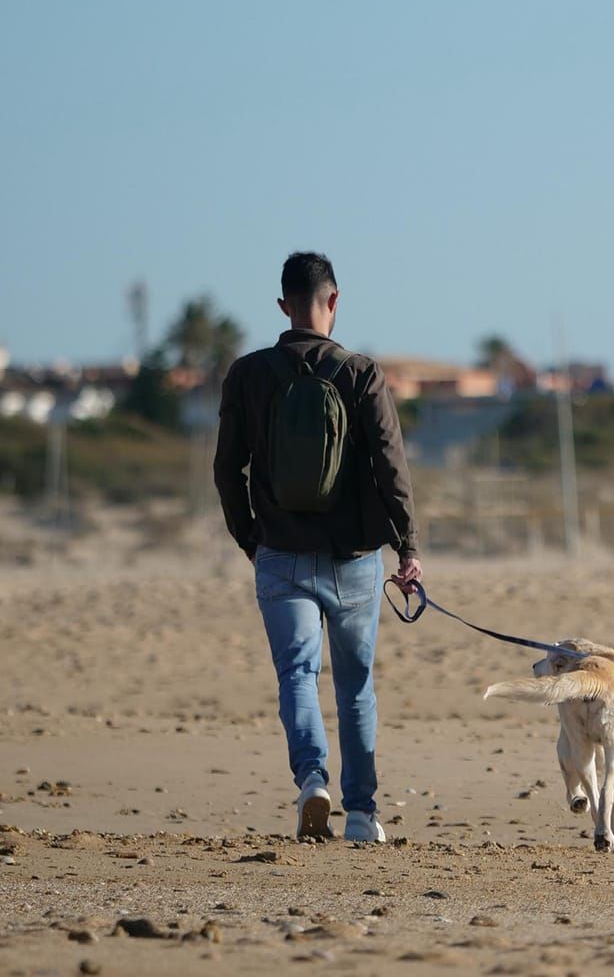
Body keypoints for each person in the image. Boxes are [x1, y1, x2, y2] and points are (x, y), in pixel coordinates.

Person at [215, 251, 421, 842]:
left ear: (284, 305)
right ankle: (361, 814)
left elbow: (227, 470)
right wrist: (407, 546)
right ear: (334, 301)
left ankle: (311, 780)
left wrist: (251, 539)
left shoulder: (248, 374)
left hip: (280, 553)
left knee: (298, 675)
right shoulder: (361, 373)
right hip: (354, 559)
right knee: (355, 688)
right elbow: (390, 465)